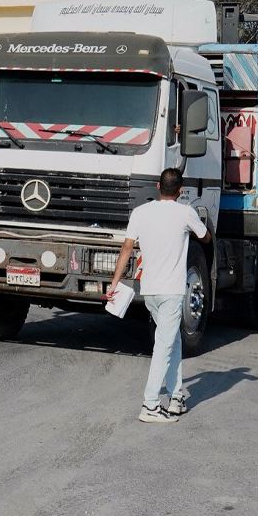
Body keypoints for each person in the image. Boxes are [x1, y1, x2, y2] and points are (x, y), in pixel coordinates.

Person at [105, 167, 210, 424]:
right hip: (172, 291)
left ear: (157, 187)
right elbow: (205, 237)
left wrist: (114, 283)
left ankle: (176, 397)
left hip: (149, 290)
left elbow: (126, 249)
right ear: (181, 190)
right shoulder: (186, 212)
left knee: (171, 341)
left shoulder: (140, 213)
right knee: (164, 346)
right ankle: (150, 404)